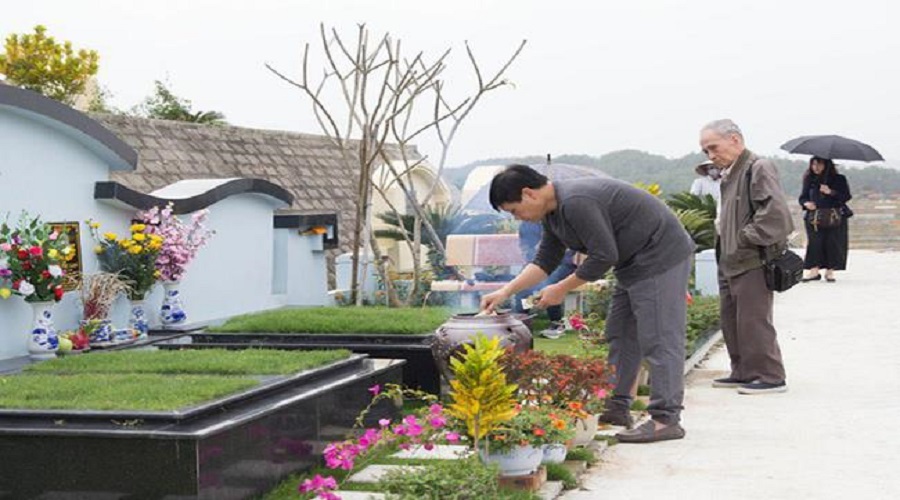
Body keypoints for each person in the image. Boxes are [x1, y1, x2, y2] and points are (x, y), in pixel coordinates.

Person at [480, 164, 695, 443]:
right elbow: (545, 260)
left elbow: (603, 255)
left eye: (514, 210)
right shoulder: (553, 214)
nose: (518, 217)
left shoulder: (577, 202)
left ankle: (665, 419)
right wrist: (505, 291)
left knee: (660, 337)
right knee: (621, 333)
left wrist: (561, 288)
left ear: (529, 193)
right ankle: (617, 408)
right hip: (632, 264)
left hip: (660, 256)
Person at [700, 119, 793, 395]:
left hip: (751, 258)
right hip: (729, 257)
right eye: (705, 151)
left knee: (753, 319)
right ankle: (742, 371)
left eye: (713, 147)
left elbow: (776, 215)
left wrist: (744, 239)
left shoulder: (757, 167)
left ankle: (770, 375)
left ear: (735, 140)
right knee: (732, 318)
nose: (710, 155)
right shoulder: (730, 172)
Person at [513, 221, 577, 338]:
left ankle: (556, 322)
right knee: (523, 287)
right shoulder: (527, 224)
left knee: (548, 284)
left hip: (562, 263)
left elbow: (571, 247)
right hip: (537, 263)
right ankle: (521, 322)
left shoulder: (558, 220)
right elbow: (525, 247)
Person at [799, 156, 852, 282]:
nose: (816, 167)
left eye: (819, 164)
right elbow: (803, 197)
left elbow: (846, 196)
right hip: (815, 216)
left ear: (827, 165)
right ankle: (814, 270)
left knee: (833, 242)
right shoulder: (810, 179)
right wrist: (806, 203)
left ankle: (830, 271)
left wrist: (831, 192)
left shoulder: (839, 179)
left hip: (834, 216)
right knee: (814, 243)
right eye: (813, 164)